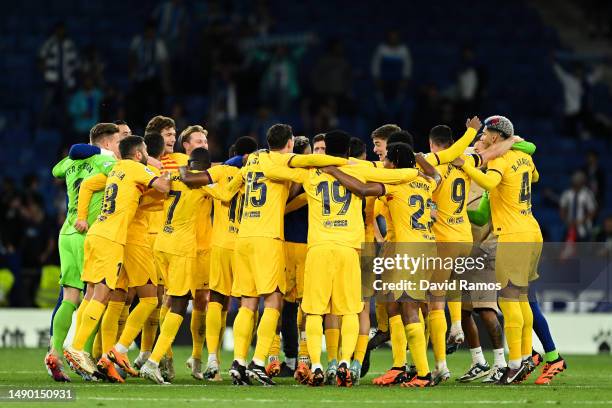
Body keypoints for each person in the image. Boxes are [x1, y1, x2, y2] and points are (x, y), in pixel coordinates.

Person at [258, 130, 423, 387]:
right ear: (347, 151)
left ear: (323, 151)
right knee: (349, 312)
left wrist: (310, 161)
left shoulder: (311, 172)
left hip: (319, 249)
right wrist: (352, 164)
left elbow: (270, 167)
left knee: (313, 312)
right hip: (349, 249)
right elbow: (406, 174)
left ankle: (316, 364)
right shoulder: (359, 170)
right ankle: (345, 362)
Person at [63, 136, 171, 379]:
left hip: (96, 232)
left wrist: (82, 217)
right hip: (111, 238)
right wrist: (169, 176)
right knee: (102, 293)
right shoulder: (136, 168)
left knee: (91, 293)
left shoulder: (116, 170)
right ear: (138, 154)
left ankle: (81, 347)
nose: (145, 155)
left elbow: (89, 184)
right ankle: (77, 347)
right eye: (144, 152)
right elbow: (163, 187)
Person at [456, 115, 543, 384]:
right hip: (532, 231)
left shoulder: (499, 160)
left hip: (513, 235)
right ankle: (526, 356)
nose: (482, 135)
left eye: (485, 132)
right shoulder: (524, 158)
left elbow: (491, 183)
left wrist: (465, 167)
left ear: (495, 136)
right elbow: (534, 177)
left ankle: (515, 363)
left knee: (509, 300)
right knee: (522, 298)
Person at [46, 123, 120, 382]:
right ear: (108, 144)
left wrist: (80, 154)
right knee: (96, 296)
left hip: (66, 232)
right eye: (117, 143)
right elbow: (122, 177)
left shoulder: (71, 163)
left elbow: (56, 170)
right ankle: (83, 356)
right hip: (87, 234)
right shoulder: (106, 162)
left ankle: (55, 351)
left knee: (70, 297)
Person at [139, 147, 216, 384]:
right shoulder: (202, 185)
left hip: (162, 242)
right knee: (180, 304)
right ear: (204, 168)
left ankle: (161, 358)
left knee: (168, 299)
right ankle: (154, 361)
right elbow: (224, 193)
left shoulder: (170, 177)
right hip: (181, 248)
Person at [202, 136, 259, 380]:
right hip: (246, 244)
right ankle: (241, 359)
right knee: (249, 303)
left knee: (216, 298)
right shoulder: (257, 174)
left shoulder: (220, 170)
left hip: (221, 243)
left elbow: (199, 178)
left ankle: (212, 357)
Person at [38, 22, 79, 127]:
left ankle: (66, 126)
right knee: (47, 104)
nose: (61, 32)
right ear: (55, 30)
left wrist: (71, 75)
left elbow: (75, 61)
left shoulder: (69, 44)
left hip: (66, 79)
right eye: (59, 30)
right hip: (51, 79)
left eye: (62, 30)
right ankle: (43, 125)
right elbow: (41, 58)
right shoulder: (50, 43)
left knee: (66, 105)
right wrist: (44, 72)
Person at [559, 170, 597, 242]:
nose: (577, 181)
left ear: (583, 181)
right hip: (569, 227)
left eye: (579, 179)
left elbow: (592, 211)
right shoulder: (567, 193)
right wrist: (566, 221)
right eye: (575, 179)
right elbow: (562, 209)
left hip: (584, 228)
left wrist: (581, 221)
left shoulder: (588, 194)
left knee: (583, 250)